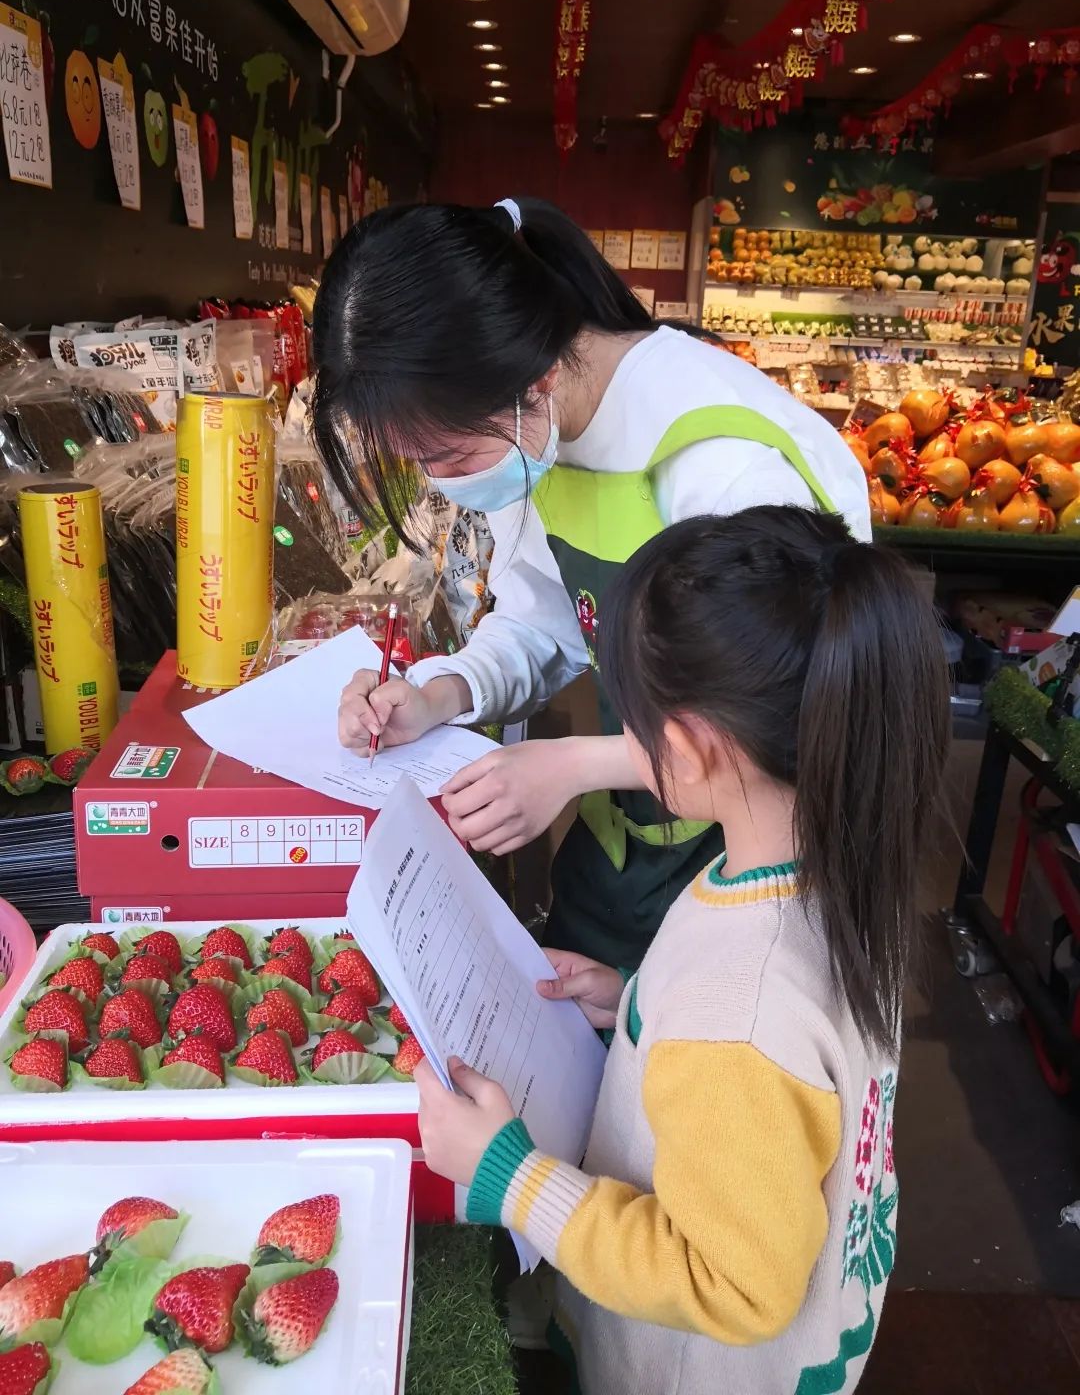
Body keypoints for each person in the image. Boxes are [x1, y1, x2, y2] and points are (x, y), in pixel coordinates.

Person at [414, 505, 950, 1395]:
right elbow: (783, 1080)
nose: (622, 740)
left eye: (632, 718)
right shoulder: (835, 869)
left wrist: (511, 1179)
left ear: (692, 750)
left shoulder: (735, 1018)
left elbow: (730, 1284)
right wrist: (635, 1001)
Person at [314, 197, 872, 971]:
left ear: (534, 382)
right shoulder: (537, 435)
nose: (441, 485)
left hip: (761, 878)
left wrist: (575, 766)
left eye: (450, 460)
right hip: (634, 848)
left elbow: (783, 721)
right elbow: (542, 622)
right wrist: (440, 693)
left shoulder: (723, 463)